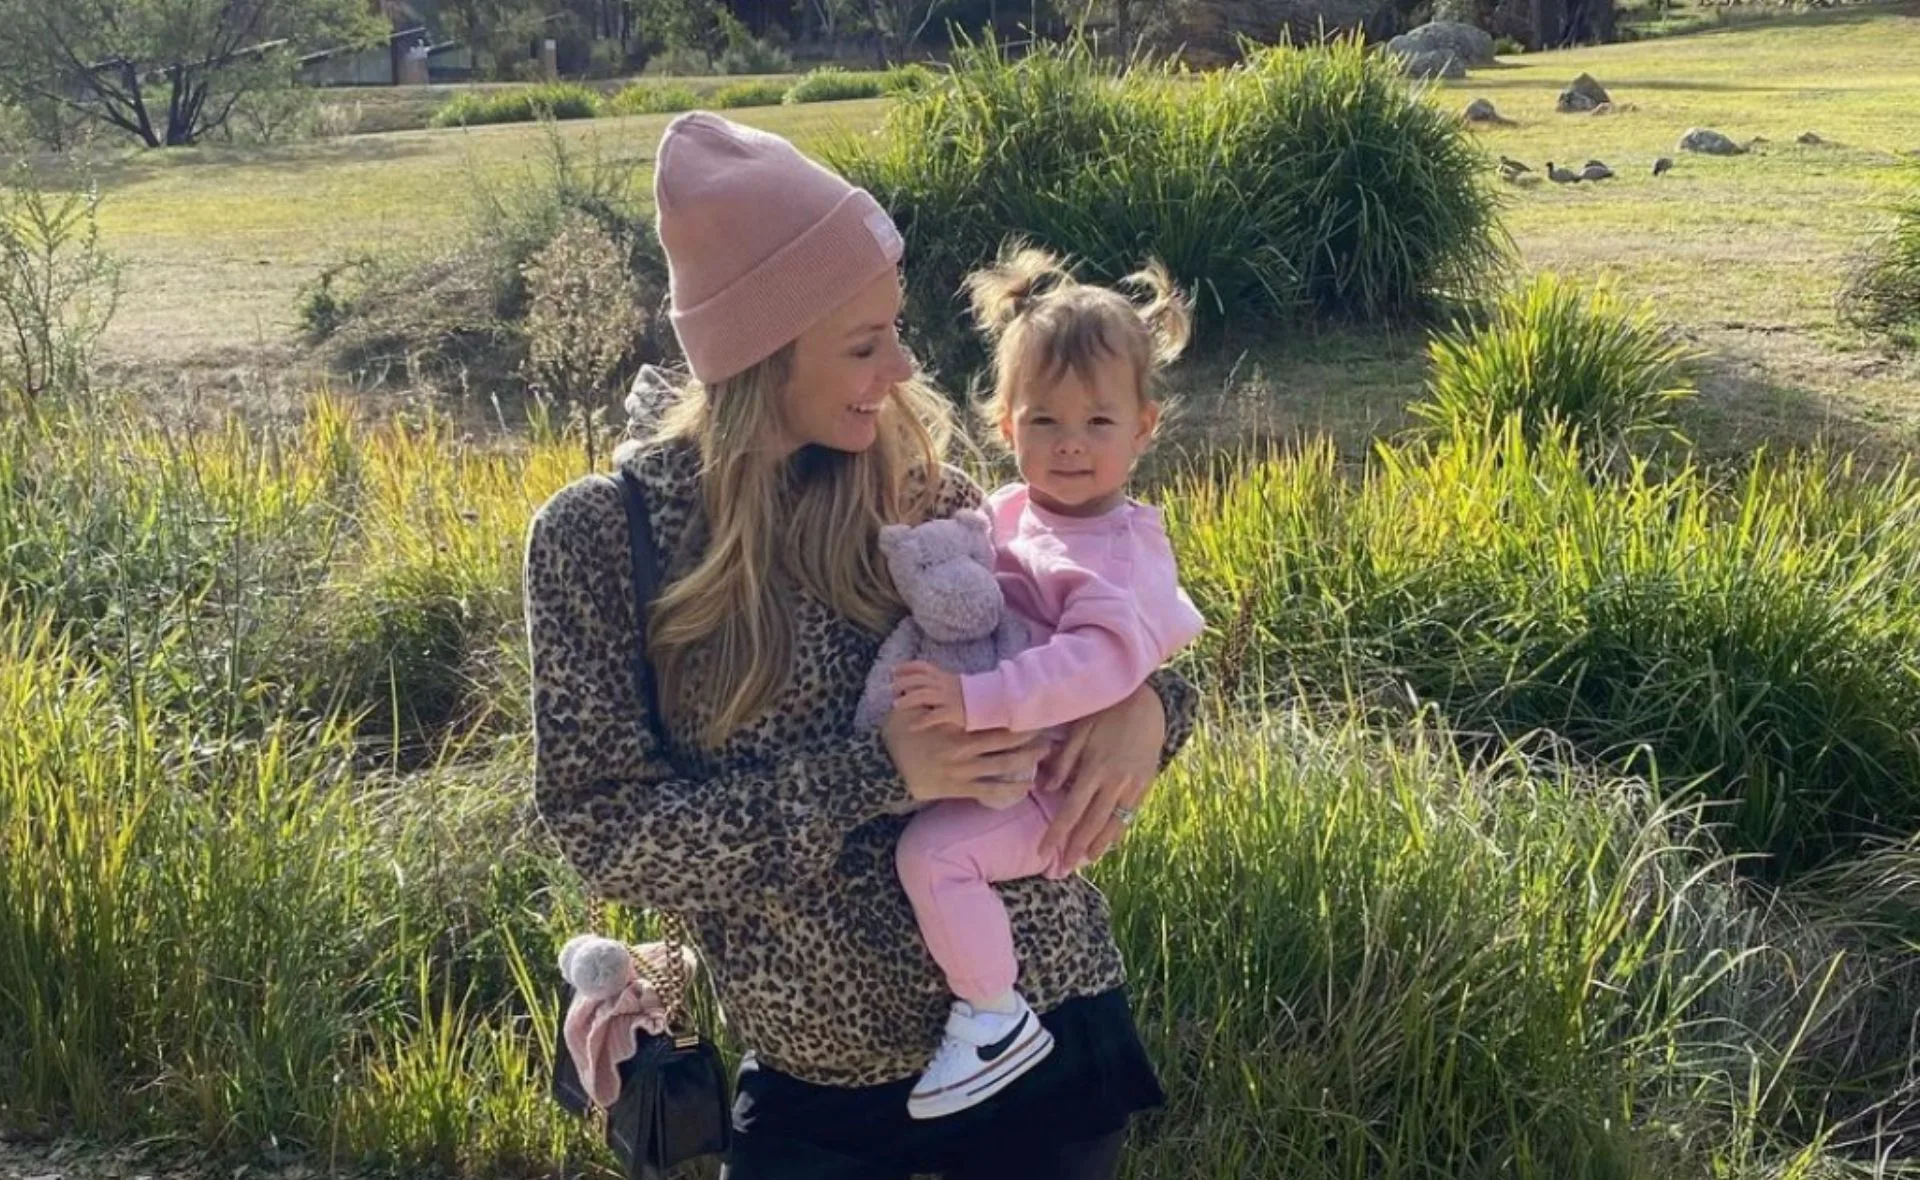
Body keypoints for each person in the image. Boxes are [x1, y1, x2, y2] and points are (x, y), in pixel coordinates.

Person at [524, 111, 1198, 1180]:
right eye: (863, 342)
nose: (903, 367)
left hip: (1044, 1027)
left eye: (896, 328)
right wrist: (874, 777)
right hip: (818, 1079)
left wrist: (1154, 708)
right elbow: (604, 828)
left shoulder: (927, 492)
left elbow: (1118, 623)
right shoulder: (604, 540)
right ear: (759, 349)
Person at [887, 247, 1206, 1121]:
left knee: (934, 856)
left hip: (1050, 786)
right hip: (1022, 760)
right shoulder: (1008, 512)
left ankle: (992, 1014)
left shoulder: (1113, 550)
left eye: (1098, 424)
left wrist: (971, 701)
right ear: (1003, 424)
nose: (1070, 445)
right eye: (1045, 421)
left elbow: (1100, 665)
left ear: (1143, 429)